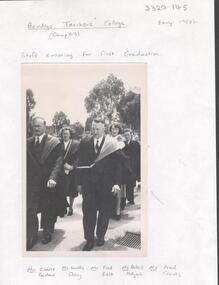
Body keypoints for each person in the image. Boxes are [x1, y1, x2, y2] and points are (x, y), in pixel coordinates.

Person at [76, 118, 124, 251]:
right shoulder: (85, 142)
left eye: (98, 129)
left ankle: (101, 236)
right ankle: (89, 239)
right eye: (93, 128)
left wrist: (117, 183)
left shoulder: (111, 143)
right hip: (89, 186)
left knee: (104, 212)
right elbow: (79, 163)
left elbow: (119, 165)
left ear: (104, 129)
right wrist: (79, 183)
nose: (95, 131)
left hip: (106, 185)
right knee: (88, 213)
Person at [26, 117, 63, 249]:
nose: (36, 128)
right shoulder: (27, 142)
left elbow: (58, 162)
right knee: (30, 209)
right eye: (34, 126)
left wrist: (53, 178)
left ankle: (47, 233)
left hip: (47, 182)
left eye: (39, 126)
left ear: (45, 126)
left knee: (48, 209)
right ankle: (31, 235)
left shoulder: (54, 142)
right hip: (32, 183)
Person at [58, 127, 79, 216]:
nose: (65, 135)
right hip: (61, 170)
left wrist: (72, 167)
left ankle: (70, 207)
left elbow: (79, 157)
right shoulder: (59, 144)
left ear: (70, 134)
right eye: (63, 133)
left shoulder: (75, 144)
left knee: (72, 190)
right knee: (62, 189)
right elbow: (57, 156)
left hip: (72, 171)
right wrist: (63, 165)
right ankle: (62, 208)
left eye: (67, 133)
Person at [109, 123, 126, 220]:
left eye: (116, 129)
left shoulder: (121, 139)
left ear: (118, 130)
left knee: (118, 188)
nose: (114, 131)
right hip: (109, 167)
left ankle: (118, 210)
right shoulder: (107, 138)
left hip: (119, 166)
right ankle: (111, 210)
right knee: (109, 189)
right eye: (112, 129)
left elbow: (123, 153)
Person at [123, 128, 141, 205]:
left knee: (132, 183)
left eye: (128, 135)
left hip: (133, 166)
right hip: (125, 167)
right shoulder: (122, 144)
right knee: (126, 183)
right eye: (125, 135)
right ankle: (127, 198)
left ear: (131, 135)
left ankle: (131, 198)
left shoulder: (136, 144)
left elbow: (138, 156)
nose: (127, 136)